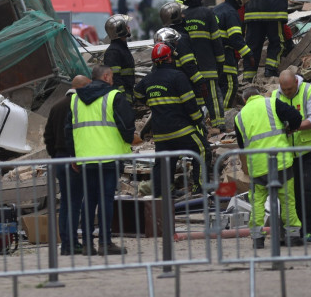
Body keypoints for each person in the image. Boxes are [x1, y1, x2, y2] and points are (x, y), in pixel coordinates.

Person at [65, 65, 134, 256]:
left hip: (86, 158)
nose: (112, 80)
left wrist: (74, 156)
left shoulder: (76, 99)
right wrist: (128, 141)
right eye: (111, 76)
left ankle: (87, 244)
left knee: (89, 200)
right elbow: (126, 123)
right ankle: (105, 242)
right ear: (106, 76)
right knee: (105, 200)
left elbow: (68, 130)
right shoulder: (114, 96)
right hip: (108, 156)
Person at [134, 43, 211, 197]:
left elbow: (137, 93)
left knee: (163, 161)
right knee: (202, 149)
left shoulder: (148, 79)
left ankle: (162, 193)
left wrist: (151, 102)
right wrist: (198, 121)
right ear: (169, 58)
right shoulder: (178, 76)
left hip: (161, 133)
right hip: (181, 129)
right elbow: (190, 103)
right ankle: (200, 187)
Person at [234, 86, 304, 249]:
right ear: (259, 95)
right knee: (287, 199)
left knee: (257, 202)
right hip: (280, 161)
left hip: (257, 165)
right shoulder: (272, 103)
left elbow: (242, 146)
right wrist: (288, 129)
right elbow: (296, 117)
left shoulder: (239, 117)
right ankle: (292, 236)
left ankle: (258, 238)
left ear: (245, 100)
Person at [275, 70, 311, 244]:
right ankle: (294, 232)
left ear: (296, 82)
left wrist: (295, 127)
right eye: (284, 89)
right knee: (290, 194)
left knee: (309, 191)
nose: (286, 93)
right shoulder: (276, 95)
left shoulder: (310, 91)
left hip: (310, 150)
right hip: (288, 153)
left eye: (289, 89)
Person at [44, 74, 91, 255]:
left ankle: (66, 242)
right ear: (82, 88)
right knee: (74, 203)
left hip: (60, 159)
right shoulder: (80, 106)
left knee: (65, 202)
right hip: (74, 160)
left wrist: (55, 155)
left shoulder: (56, 106)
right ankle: (72, 243)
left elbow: (48, 136)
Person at [177, 0, 227, 131]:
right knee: (214, 98)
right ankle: (220, 126)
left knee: (196, 99)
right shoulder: (208, 13)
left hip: (190, 70)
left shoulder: (182, 16)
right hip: (209, 66)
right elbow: (217, 41)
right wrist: (220, 63)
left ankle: (200, 128)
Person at [213, 0, 254, 109]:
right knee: (230, 85)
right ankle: (223, 114)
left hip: (212, 55)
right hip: (225, 55)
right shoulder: (231, 13)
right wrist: (249, 55)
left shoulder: (216, 9)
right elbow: (236, 38)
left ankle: (213, 116)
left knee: (218, 87)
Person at [103, 14, 135, 103]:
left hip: (126, 95)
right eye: (126, 26)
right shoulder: (113, 52)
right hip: (121, 98)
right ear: (120, 30)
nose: (128, 27)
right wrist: (122, 98)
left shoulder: (121, 48)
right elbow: (114, 78)